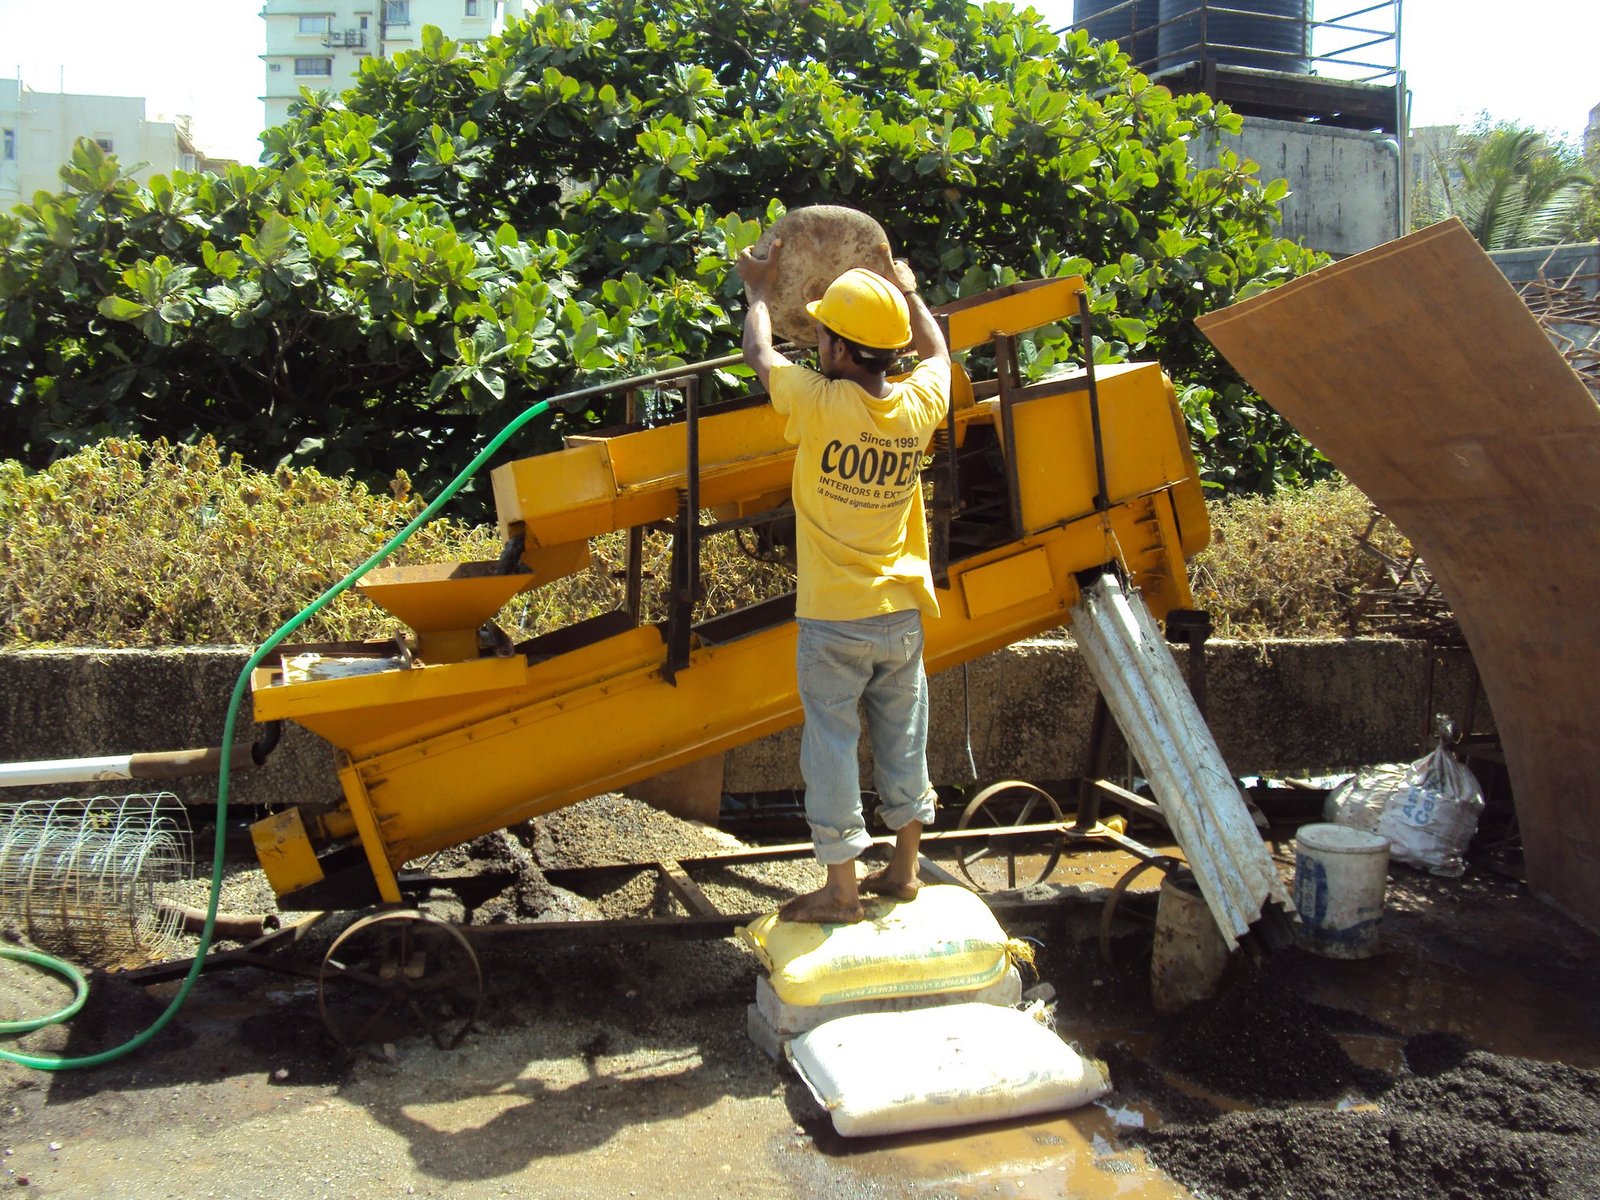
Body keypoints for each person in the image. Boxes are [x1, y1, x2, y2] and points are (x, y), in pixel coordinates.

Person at [737, 238, 952, 924]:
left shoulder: (816, 403)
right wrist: (909, 290)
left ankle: (841, 891)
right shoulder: (917, 408)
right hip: (901, 612)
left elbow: (760, 356)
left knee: (830, 745)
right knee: (903, 735)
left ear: (836, 350)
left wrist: (758, 292)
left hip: (833, 619)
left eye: (826, 333)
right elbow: (940, 357)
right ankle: (906, 870)